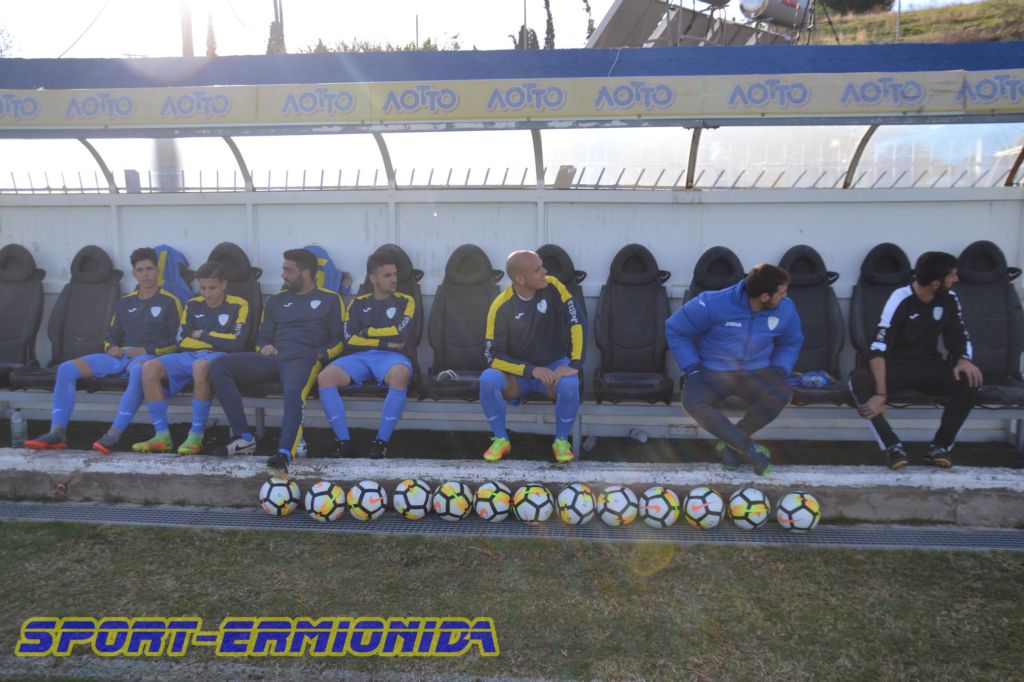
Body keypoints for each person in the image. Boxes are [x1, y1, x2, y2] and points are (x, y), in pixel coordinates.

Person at [25, 247, 182, 450]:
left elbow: (177, 341)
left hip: (148, 358)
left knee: (139, 371)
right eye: (140, 270)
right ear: (134, 273)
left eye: (149, 269)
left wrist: (147, 350)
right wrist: (112, 347)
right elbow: (112, 333)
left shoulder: (171, 301)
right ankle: (57, 433)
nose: (145, 274)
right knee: (66, 369)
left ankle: (113, 435)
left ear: (157, 271)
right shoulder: (124, 302)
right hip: (120, 357)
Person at [209, 249, 345, 472]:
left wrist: (321, 355)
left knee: (293, 391)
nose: (283, 275)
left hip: (303, 358)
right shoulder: (276, 300)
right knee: (219, 366)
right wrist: (263, 347)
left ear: (306, 272)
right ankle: (243, 438)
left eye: (288, 270)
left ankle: (284, 452)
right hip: (274, 357)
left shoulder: (330, 299)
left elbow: (339, 340)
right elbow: (262, 337)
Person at [849, 251, 982, 470]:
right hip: (895, 367)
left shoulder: (949, 298)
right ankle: (893, 448)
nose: (956, 279)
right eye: (952, 276)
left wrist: (963, 359)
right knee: (859, 381)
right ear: (936, 283)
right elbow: (878, 348)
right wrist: (880, 394)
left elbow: (959, 334)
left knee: (970, 380)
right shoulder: (900, 298)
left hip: (929, 366)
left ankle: (940, 447)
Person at [666, 264, 803, 475]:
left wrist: (780, 368)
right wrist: (692, 367)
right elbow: (675, 329)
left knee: (781, 392)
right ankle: (748, 447)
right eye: (781, 293)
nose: (785, 296)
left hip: (757, 372)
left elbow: (791, 341)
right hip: (713, 371)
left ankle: (733, 444)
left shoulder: (786, 308)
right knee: (692, 401)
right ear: (765, 296)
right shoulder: (712, 302)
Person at [109, 261, 249, 455]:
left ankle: (196, 435)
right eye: (203, 288)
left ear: (224, 284)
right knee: (149, 367)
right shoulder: (192, 304)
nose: (207, 294)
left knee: (200, 366)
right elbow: (181, 341)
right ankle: (161, 436)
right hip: (188, 355)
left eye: (212, 288)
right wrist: (216, 340)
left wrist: (203, 335)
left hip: (222, 358)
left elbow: (237, 343)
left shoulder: (239, 304)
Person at [478, 250, 584, 464]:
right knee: (488, 378)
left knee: (570, 382)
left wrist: (575, 363)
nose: (545, 271)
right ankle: (501, 439)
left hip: (552, 370)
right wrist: (531, 370)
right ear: (520, 279)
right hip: (519, 375)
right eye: (537, 270)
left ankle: (561, 441)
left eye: (542, 266)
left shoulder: (553, 286)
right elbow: (492, 357)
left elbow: (577, 321)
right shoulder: (500, 306)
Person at [317, 251, 416, 458]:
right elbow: (349, 339)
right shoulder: (357, 303)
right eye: (387, 275)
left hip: (392, 358)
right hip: (359, 357)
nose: (394, 279)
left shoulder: (406, 301)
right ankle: (344, 443)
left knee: (400, 375)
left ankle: (381, 443)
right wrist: (384, 341)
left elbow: (401, 333)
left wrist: (367, 332)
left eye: (395, 274)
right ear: (373, 278)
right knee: (325, 377)